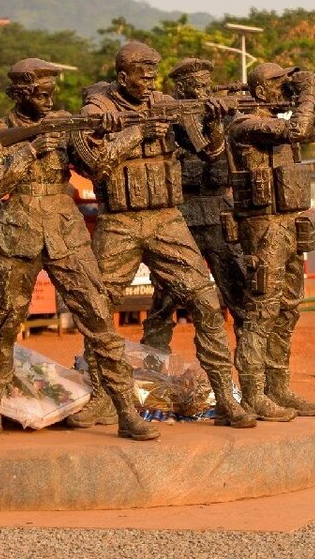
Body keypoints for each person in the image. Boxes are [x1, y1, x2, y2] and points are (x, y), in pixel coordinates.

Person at [0, 59, 159, 442]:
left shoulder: (67, 123)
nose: (49, 101)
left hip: (66, 230)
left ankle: (127, 410)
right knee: (2, 325)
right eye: (40, 94)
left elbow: (96, 168)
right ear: (18, 94)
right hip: (18, 229)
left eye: (51, 93)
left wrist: (114, 135)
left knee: (98, 319)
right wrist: (31, 149)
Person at [71, 42, 257, 429]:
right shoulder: (96, 111)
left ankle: (224, 397)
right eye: (144, 74)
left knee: (206, 301)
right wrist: (135, 134)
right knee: (98, 307)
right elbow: (93, 167)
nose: (151, 81)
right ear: (122, 77)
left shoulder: (167, 104)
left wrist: (215, 122)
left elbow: (208, 151)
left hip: (167, 219)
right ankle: (106, 398)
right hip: (119, 223)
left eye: (155, 74)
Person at [228, 63, 315, 420]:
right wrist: (306, 92)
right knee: (262, 310)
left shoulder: (281, 124)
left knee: (288, 308)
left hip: (291, 223)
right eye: (281, 87)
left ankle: (278, 387)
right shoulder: (247, 124)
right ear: (260, 92)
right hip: (264, 228)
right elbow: (296, 128)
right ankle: (252, 394)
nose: (287, 92)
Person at [141, 57, 247, 353]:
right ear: (181, 88)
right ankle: (153, 369)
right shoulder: (167, 119)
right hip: (180, 215)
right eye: (196, 87)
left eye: (205, 86)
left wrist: (215, 125)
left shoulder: (223, 117)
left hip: (218, 214)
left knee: (239, 296)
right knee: (165, 300)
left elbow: (218, 163)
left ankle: (254, 382)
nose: (202, 92)